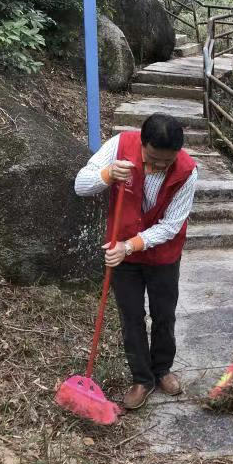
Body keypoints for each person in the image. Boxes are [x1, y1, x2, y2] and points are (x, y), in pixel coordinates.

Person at [74, 113, 198, 409]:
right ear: (143, 143)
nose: (156, 168)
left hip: (162, 254)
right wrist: (107, 175)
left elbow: (171, 226)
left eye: (165, 163)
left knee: (164, 314)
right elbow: (80, 185)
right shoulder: (120, 146)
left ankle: (162, 369)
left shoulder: (188, 171)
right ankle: (142, 378)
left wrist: (129, 246)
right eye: (152, 159)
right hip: (122, 253)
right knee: (131, 316)